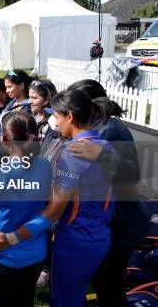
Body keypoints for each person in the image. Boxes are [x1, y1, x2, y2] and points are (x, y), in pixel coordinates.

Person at [0, 89, 115, 307]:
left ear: (70, 117)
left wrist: (10, 239)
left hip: (74, 242)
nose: (55, 120)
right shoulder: (105, 146)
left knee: (65, 300)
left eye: (57, 115)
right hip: (98, 236)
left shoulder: (73, 154)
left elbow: (54, 210)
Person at [66, 79, 149, 307]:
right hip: (105, 222)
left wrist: (104, 157)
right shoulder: (93, 127)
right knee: (102, 281)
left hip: (121, 223)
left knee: (108, 285)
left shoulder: (111, 131)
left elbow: (129, 183)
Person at [0, 112, 51, 307]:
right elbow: (46, 208)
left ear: (4, 138)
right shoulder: (44, 165)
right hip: (34, 253)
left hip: (0, 254)